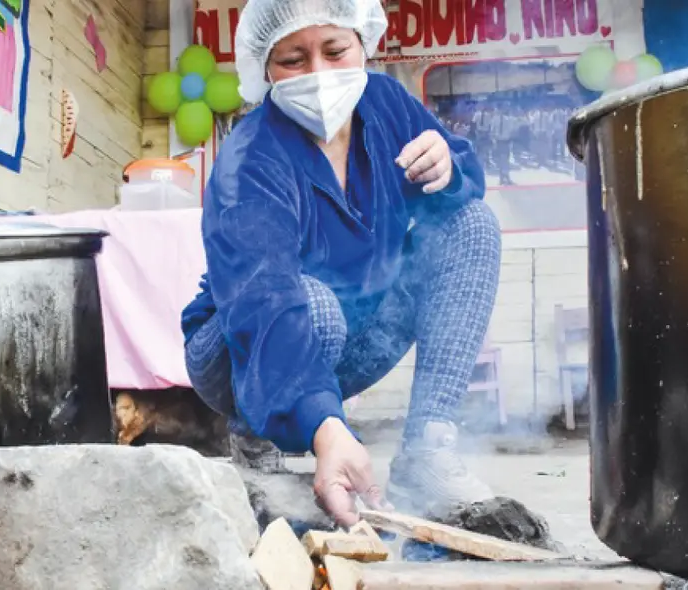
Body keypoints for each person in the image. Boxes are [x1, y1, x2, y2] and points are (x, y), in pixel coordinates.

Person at [181, 0, 502, 526]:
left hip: (354, 324)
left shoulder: (387, 104)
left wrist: (450, 164)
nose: (320, 75)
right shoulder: (250, 158)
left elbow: (456, 180)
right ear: (264, 66)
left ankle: (429, 450)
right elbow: (264, 300)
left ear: (363, 43)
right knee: (314, 306)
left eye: (335, 51)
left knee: (471, 226)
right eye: (293, 59)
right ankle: (255, 432)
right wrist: (332, 431)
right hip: (239, 347)